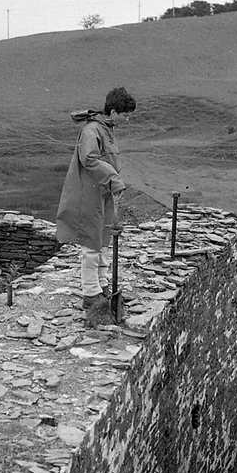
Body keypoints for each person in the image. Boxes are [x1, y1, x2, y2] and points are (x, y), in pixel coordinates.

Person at [56, 86, 137, 326]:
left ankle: (101, 285)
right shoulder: (92, 130)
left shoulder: (105, 129)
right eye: (125, 114)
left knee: (102, 240)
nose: (127, 119)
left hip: (101, 194)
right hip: (90, 195)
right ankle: (90, 293)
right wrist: (113, 179)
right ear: (113, 112)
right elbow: (89, 158)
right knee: (92, 243)